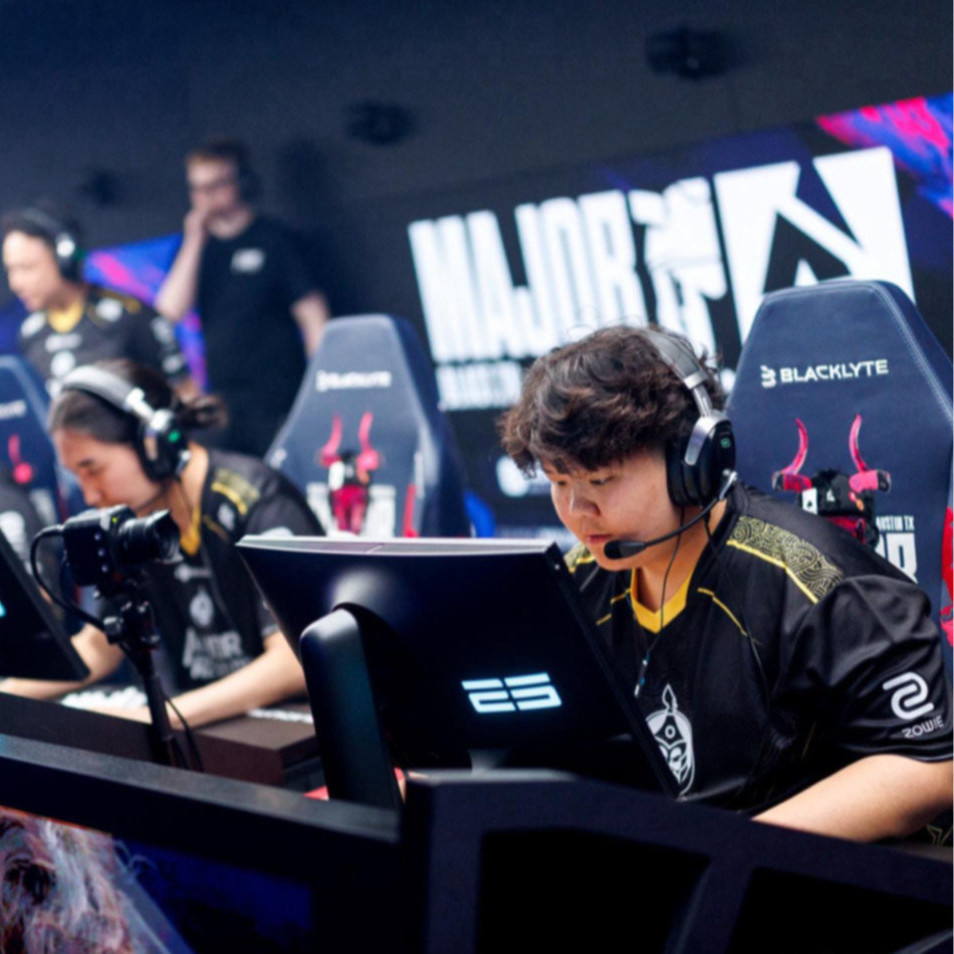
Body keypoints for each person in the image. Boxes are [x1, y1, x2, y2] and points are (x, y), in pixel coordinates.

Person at [498, 324, 952, 843]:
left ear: (691, 461)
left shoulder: (818, 584)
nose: (578, 510)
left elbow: (928, 767)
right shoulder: (576, 584)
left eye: (600, 480)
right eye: (559, 483)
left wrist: (730, 856)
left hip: (800, 873)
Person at [0, 359, 323, 727]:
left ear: (151, 444)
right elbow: (98, 647)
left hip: (292, 731)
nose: (89, 495)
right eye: (78, 477)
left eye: (94, 469)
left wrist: (156, 719)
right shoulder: (133, 523)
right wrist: (7, 694)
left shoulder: (260, 503)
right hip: (202, 726)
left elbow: (293, 661)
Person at [155, 138, 330, 456]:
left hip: (281, 395)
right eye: (198, 188)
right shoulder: (194, 248)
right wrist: (195, 239)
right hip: (224, 401)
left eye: (216, 185)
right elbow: (169, 311)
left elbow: (313, 316)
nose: (206, 197)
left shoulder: (275, 240)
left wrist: (320, 384)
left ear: (242, 182)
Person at [1, 205, 192, 397]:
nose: (15, 283)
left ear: (64, 259)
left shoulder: (130, 317)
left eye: (27, 268)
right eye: (11, 270)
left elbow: (185, 393)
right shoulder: (30, 333)